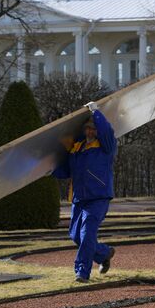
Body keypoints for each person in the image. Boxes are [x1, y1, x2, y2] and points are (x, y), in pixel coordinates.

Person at [52, 101, 117, 282]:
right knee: (76, 236)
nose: (91, 131)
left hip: (98, 198)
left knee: (86, 233)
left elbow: (107, 131)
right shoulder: (77, 148)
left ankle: (82, 272)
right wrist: (48, 169)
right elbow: (66, 171)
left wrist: (96, 113)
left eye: (94, 129)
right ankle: (104, 253)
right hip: (79, 199)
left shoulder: (106, 147)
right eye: (88, 128)